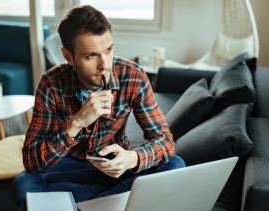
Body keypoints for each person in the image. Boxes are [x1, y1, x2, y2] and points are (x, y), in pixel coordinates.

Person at [11, 5, 185, 209]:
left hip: (114, 166)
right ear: (68, 57)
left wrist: (132, 158)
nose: (105, 65)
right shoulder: (51, 84)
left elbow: (165, 141)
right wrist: (76, 123)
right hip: (69, 166)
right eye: (90, 56)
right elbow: (31, 161)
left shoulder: (133, 76)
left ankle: (78, 203)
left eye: (109, 50)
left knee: (176, 165)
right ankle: (109, 203)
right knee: (23, 185)